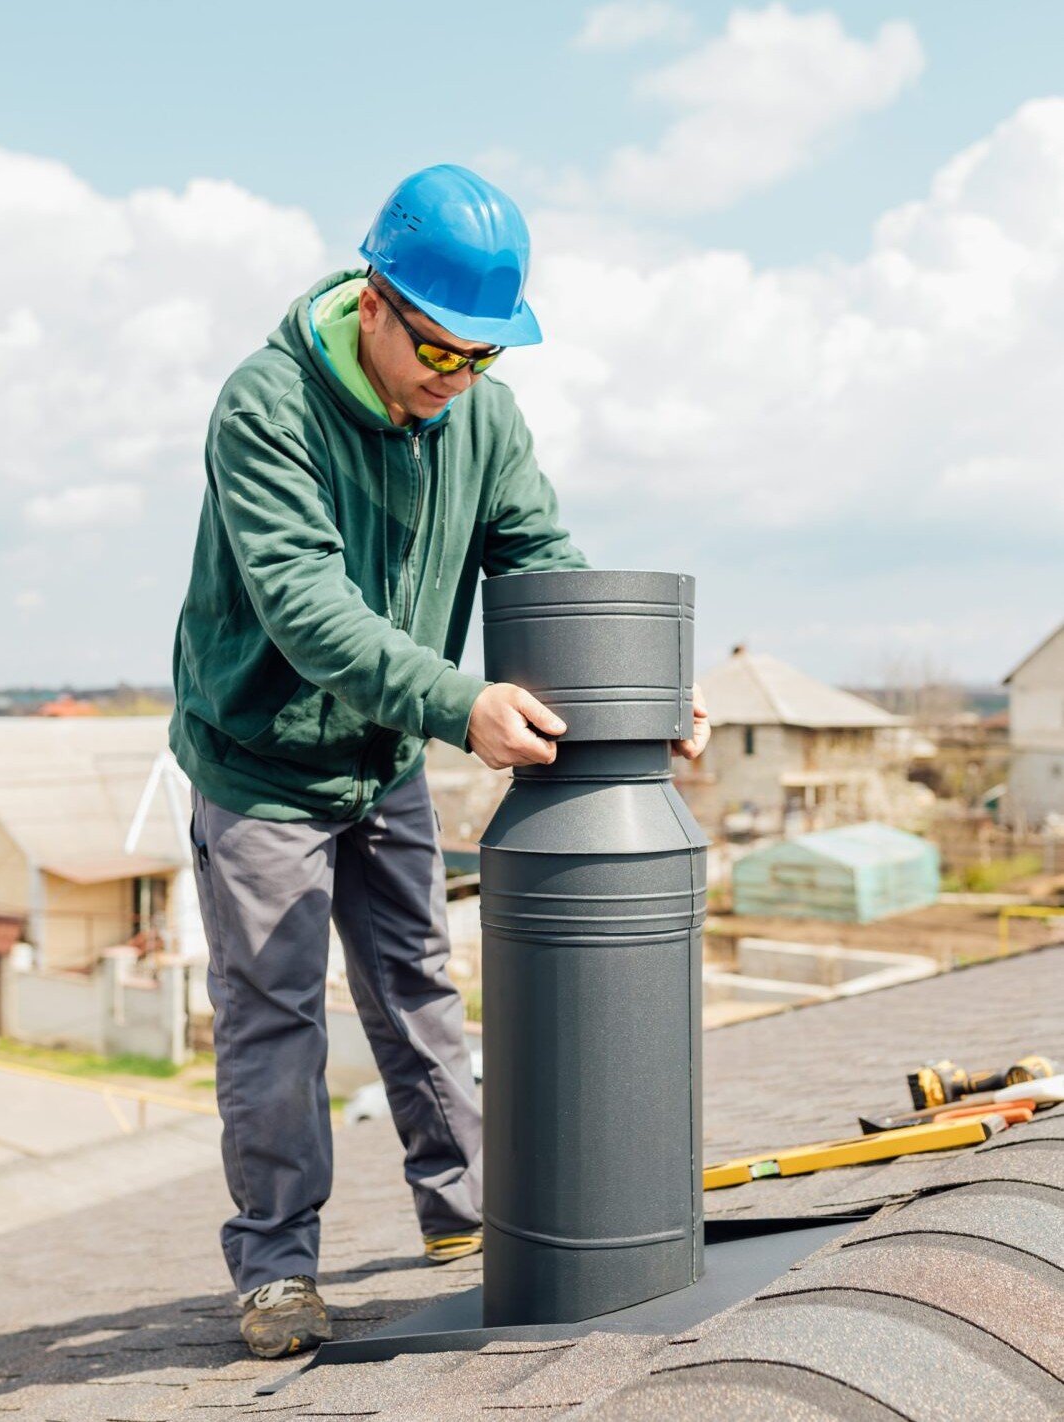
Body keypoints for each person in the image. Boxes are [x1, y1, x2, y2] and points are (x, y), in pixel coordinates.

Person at [169, 163, 710, 1360]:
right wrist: (461, 705)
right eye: (437, 349)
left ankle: (460, 1209)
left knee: (416, 980)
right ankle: (276, 1269)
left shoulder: (481, 417)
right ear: (373, 301)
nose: (456, 377)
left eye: (482, 355)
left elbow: (539, 560)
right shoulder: (267, 407)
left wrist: (637, 697)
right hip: (260, 760)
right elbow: (307, 610)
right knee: (273, 1015)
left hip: (382, 753)